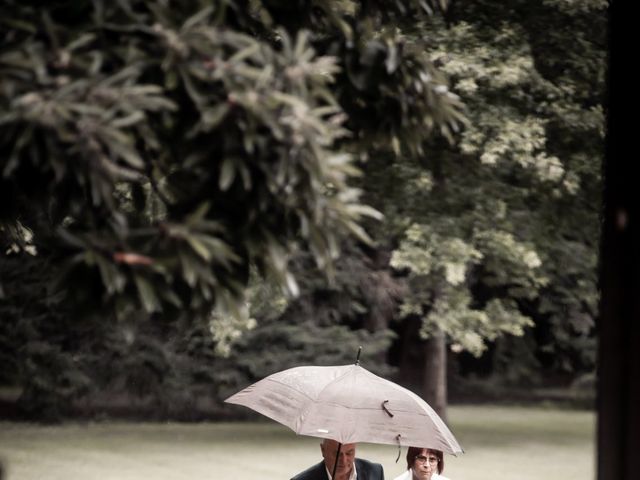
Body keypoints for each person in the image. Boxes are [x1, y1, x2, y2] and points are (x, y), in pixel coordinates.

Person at [291, 438, 385, 480]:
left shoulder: (375, 472)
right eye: (337, 454)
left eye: (349, 453)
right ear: (323, 450)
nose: (343, 461)